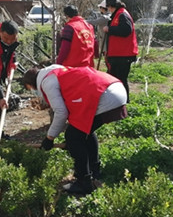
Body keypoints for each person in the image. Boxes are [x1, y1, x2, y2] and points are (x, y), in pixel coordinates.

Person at [22, 64, 128, 194]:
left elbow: (61, 112)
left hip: (105, 96)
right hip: (113, 87)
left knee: (73, 136)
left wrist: (49, 138)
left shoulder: (47, 83)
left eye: (30, 89)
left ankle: (84, 182)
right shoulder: (54, 71)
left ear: (31, 84)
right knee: (84, 131)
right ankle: (95, 171)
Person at [102, 0, 138, 101]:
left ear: (111, 6)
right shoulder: (118, 14)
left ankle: (124, 102)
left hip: (123, 54)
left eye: (108, 7)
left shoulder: (122, 14)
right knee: (115, 78)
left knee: (121, 79)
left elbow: (126, 30)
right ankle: (118, 101)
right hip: (119, 54)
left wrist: (110, 29)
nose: (108, 10)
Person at [86, 0, 110, 66]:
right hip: (104, 39)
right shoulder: (108, 16)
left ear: (103, 8)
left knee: (107, 57)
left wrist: (84, 21)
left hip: (105, 40)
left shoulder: (105, 17)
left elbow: (95, 22)